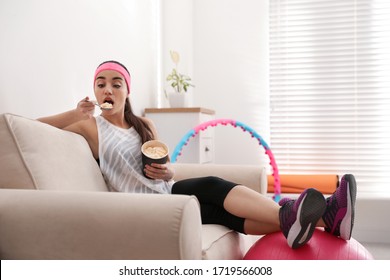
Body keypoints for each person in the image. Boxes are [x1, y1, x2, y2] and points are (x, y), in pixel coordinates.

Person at [38, 60, 357, 249]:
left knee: (221, 209)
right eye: (101, 84)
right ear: (94, 91)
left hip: (164, 192)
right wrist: (73, 114)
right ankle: (309, 212)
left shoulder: (144, 125)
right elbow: (24, 127)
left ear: (127, 91)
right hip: (142, 206)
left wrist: (167, 172)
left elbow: (164, 169)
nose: (108, 90)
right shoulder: (90, 127)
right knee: (210, 187)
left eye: (116, 83)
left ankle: (320, 219)